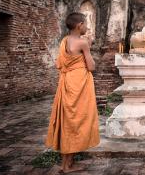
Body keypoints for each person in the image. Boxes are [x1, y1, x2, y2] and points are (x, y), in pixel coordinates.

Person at [45, 12, 100, 173]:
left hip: (68, 82)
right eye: (86, 24)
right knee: (78, 120)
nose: (87, 27)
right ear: (79, 25)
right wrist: (88, 45)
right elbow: (91, 67)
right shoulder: (82, 43)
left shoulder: (64, 41)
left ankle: (67, 164)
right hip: (80, 84)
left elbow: (60, 63)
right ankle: (66, 166)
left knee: (68, 121)